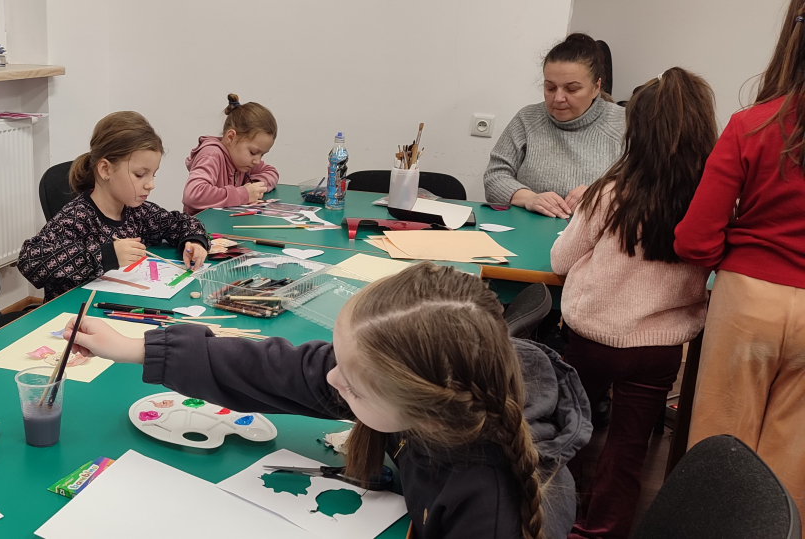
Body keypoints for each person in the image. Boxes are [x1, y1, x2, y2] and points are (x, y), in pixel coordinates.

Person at [61, 263, 591, 539]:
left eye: (354, 386)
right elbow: (282, 369)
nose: (332, 377)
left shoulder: (499, 508)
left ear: (425, 406)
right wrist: (138, 348)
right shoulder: (431, 381)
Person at [551, 67, 715, 539]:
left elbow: (562, 260)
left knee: (570, 431)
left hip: (593, 337)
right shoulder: (711, 200)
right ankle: (603, 530)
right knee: (628, 446)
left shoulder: (611, 192)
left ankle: (559, 517)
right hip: (660, 347)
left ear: (637, 131)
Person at [675, 1, 805, 525]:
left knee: (720, 448)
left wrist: (730, 260)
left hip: (747, 299)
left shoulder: (752, 125)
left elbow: (694, 238)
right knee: (791, 467)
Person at [19, 111, 209, 301]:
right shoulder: (77, 217)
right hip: (74, 313)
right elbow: (29, 260)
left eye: (153, 174)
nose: (150, 184)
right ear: (105, 170)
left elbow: (182, 223)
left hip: (121, 305)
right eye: (139, 174)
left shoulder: (138, 212)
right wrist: (106, 255)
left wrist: (194, 241)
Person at [483, 33, 625, 219]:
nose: (558, 98)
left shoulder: (624, 123)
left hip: (596, 230)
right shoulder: (527, 119)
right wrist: (529, 198)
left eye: (572, 89)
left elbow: (648, 187)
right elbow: (495, 176)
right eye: (550, 88)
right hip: (528, 227)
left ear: (596, 87)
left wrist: (603, 195)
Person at [182, 93, 279, 214]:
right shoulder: (211, 155)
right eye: (253, 152)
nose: (257, 161)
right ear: (231, 137)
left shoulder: (242, 162)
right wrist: (243, 194)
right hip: (200, 224)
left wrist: (254, 188)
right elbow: (192, 194)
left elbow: (271, 172)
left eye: (262, 155)